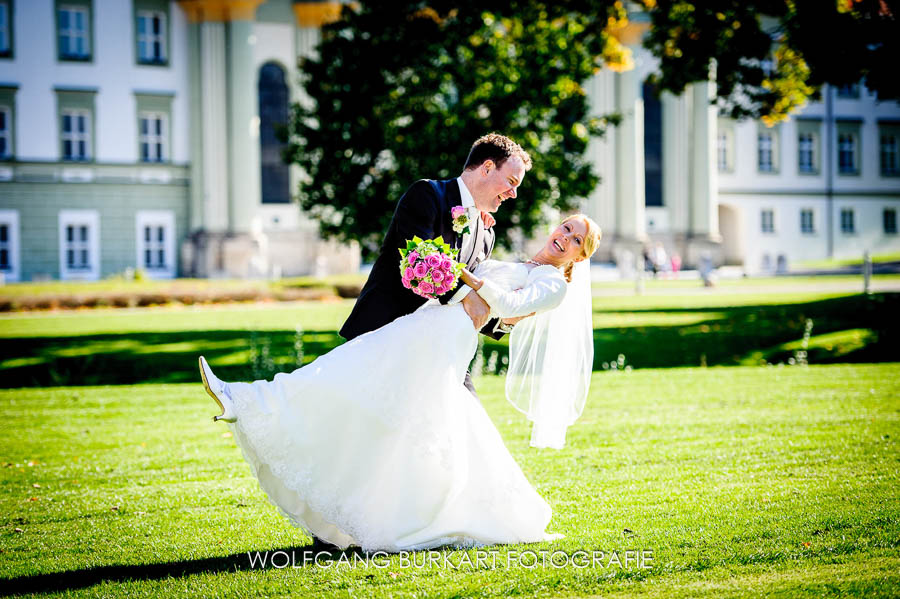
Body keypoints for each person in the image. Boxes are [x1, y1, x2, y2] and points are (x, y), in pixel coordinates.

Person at [198, 215, 602, 552]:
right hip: (427, 323)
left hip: (447, 335)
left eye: (576, 239)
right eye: (566, 228)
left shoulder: (555, 285)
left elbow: (510, 305)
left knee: (353, 373)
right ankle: (353, 510)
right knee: (373, 392)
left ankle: (246, 399)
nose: (565, 237)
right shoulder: (525, 266)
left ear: (580, 256)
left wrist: (467, 277)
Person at [339, 133, 532, 398]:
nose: (514, 194)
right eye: (511, 182)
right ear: (487, 167)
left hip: (438, 350)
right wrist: (467, 294)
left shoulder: (486, 233)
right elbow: (417, 258)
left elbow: (471, 300)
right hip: (381, 335)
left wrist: (504, 320)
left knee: (469, 421)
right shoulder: (427, 195)